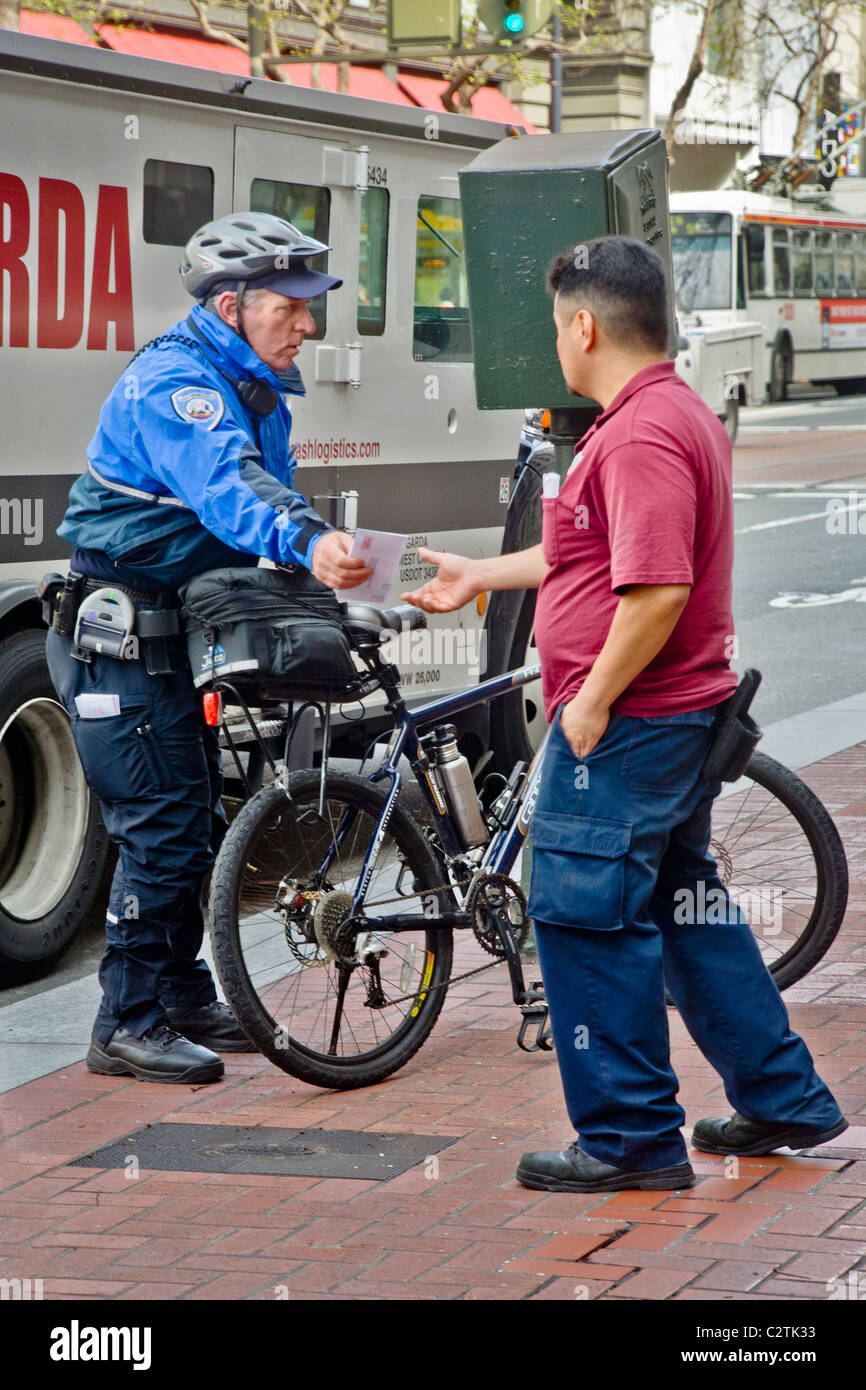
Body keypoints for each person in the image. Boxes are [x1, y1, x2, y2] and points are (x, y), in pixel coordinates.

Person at [403, 235, 847, 1193]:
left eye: (556, 328)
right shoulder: (660, 415)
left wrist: (592, 699)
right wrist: (480, 572)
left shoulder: (641, 433)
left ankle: (629, 1140)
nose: (555, 346)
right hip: (672, 721)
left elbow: (655, 590)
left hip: (630, 724)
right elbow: (588, 558)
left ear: (584, 325)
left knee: (585, 916)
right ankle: (783, 1099)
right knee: (684, 910)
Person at [44, 212, 373, 1086]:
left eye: (312, 308)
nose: (308, 324)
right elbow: (229, 490)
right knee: (158, 827)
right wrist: (309, 541)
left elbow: (259, 497)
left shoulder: (255, 388)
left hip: (166, 636)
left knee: (189, 816)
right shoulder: (178, 386)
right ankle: (126, 1024)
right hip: (118, 640)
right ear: (231, 307)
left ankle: (181, 994)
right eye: (291, 307)